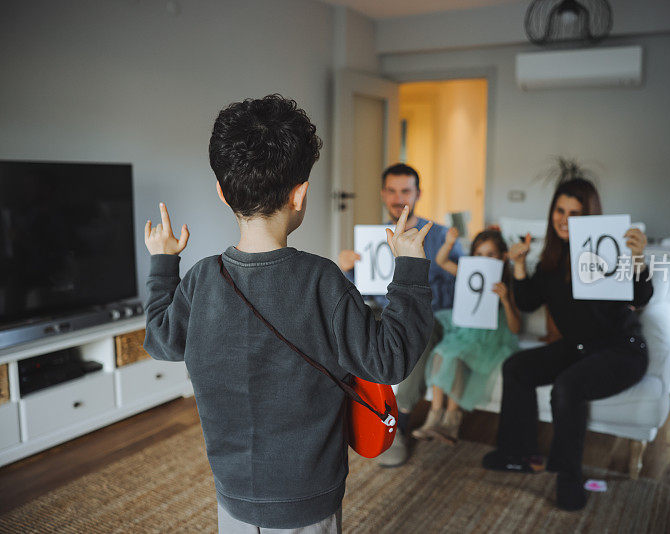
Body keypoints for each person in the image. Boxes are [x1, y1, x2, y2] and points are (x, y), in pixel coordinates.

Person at [142, 95, 435, 533]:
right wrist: (409, 270)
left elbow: (159, 340)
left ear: (222, 193)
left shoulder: (201, 280)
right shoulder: (321, 280)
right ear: (300, 195)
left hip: (233, 493)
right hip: (308, 498)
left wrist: (164, 263)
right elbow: (389, 358)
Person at [481, 176, 652, 512]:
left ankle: (568, 477)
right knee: (516, 367)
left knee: (567, 387)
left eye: (574, 214)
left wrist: (638, 260)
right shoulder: (553, 260)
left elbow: (641, 295)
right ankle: (518, 454)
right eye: (560, 210)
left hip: (622, 350)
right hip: (579, 348)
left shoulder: (607, 250)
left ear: (588, 219)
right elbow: (528, 301)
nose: (564, 219)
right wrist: (517, 264)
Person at [338, 163, 465, 467]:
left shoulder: (442, 237)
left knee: (415, 337)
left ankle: (398, 426)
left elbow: (460, 288)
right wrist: (344, 269)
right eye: (391, 191)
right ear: (383, 194)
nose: (398, 198)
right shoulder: (372, 237)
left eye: (405, 191)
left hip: (427, 314)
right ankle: (350, 414)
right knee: (347, 325)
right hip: (380, 309)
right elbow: (360, 292)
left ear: (418, 193)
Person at [412, 228, 521, 444]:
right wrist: (449, 243)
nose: (484, 260)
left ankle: (451, 421)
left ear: (503, 257)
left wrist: (506, 300)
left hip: (491, 336)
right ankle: (434, 417)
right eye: (479, 255)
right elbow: (442, 261)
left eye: (490, 255)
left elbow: (516, 327)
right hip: (466, 330)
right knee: (441, 351)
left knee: (458, 357)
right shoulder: (469, 272)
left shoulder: (509, 284)